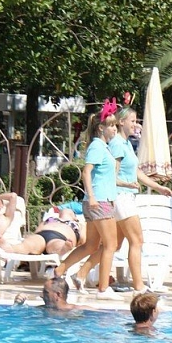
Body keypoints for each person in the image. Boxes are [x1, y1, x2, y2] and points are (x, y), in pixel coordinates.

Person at [106, 104, 172, 294]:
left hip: (126, 196)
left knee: (115, 244)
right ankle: (139, 286)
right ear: (121, 122)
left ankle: (81, 275)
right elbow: (112, 175)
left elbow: (136, 171)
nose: (136, 124)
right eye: (133, 121)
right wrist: (128, 185)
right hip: (121, 196)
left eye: (136, 121)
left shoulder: (126, 144)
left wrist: (158, 187)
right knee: (137, 240)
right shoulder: (117, 144)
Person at [69, 105, 121, 299]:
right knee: (111, 245)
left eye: (115, 125)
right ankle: (103, 288)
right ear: (101, 128)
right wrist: (91, 196)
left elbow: (104, 176)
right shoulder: (97, 146)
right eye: (111, 125)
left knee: (91, 245)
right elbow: (86, 172)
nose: (114, 129)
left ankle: (68, 274)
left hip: (100, 200)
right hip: (99, 201)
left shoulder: (102, 147)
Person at [0, 207, 81, 256]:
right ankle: (12, 248)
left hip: (60, 237)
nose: (65, 210)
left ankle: (63, 248)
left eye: (70, 212)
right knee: (29, 244)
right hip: (41, 235)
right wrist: (34, 235)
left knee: (56, 245)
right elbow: (39, 227)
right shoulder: (51, 218)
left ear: (75, 217)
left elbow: (83, 239)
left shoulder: (77, 224)